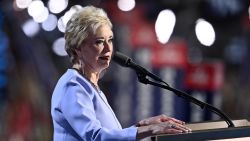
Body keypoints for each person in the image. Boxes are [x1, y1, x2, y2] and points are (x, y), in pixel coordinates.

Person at [51, 5, 191, 141]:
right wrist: (149, 130)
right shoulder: (73, 86)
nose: (108, 48)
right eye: (99, 42)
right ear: (77, 47)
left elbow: (109, 135)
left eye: (110, 40)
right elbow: (94, 136)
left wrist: (144, 125)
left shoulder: (89, 85)